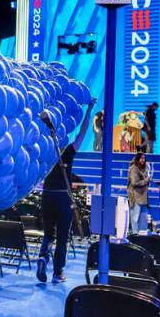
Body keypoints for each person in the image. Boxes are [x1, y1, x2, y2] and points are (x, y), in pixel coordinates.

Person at [37, 97, 97, 284]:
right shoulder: (69, 151)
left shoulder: (46, 151)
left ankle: (43, 257)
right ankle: (57, 273)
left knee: (48, 234)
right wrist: (89, 111)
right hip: (63, 198)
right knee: (62, 238)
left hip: (46, 196)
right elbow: (83, 132)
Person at [127, 152, 151, 234]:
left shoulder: (143, 169)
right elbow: (134, 183)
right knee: (135, 218)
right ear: (137, 159)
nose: (143, 160)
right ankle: (135, 236)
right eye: (141, 158)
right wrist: (146, 180)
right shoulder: (134, 169)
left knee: (143, 218)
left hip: (143, 197)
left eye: (144, 158)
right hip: (136, 197)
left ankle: (142, 236)